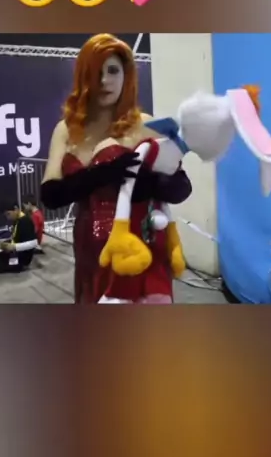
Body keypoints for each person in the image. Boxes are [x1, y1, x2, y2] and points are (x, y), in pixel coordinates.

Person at [40, 34, 192, 304]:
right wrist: (103, 174)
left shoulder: (145, 125)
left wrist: (149, 184)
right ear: (83, 76)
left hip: (138, 248)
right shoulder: (66, 129)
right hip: (88, 248)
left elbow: (181, 187)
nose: (104, 80)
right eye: (95, 72)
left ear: (126, 75)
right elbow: (51, 195)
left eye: (113, 71)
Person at [0, 202, 38, 275]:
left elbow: (34, 243)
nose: (8, 218)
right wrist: (2, 244)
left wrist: (13, 247)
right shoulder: (17, 220)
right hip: (15, 253)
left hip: (21, 258)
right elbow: (17, 238)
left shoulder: (25, 221)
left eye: (8, 214)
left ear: (16, 209)